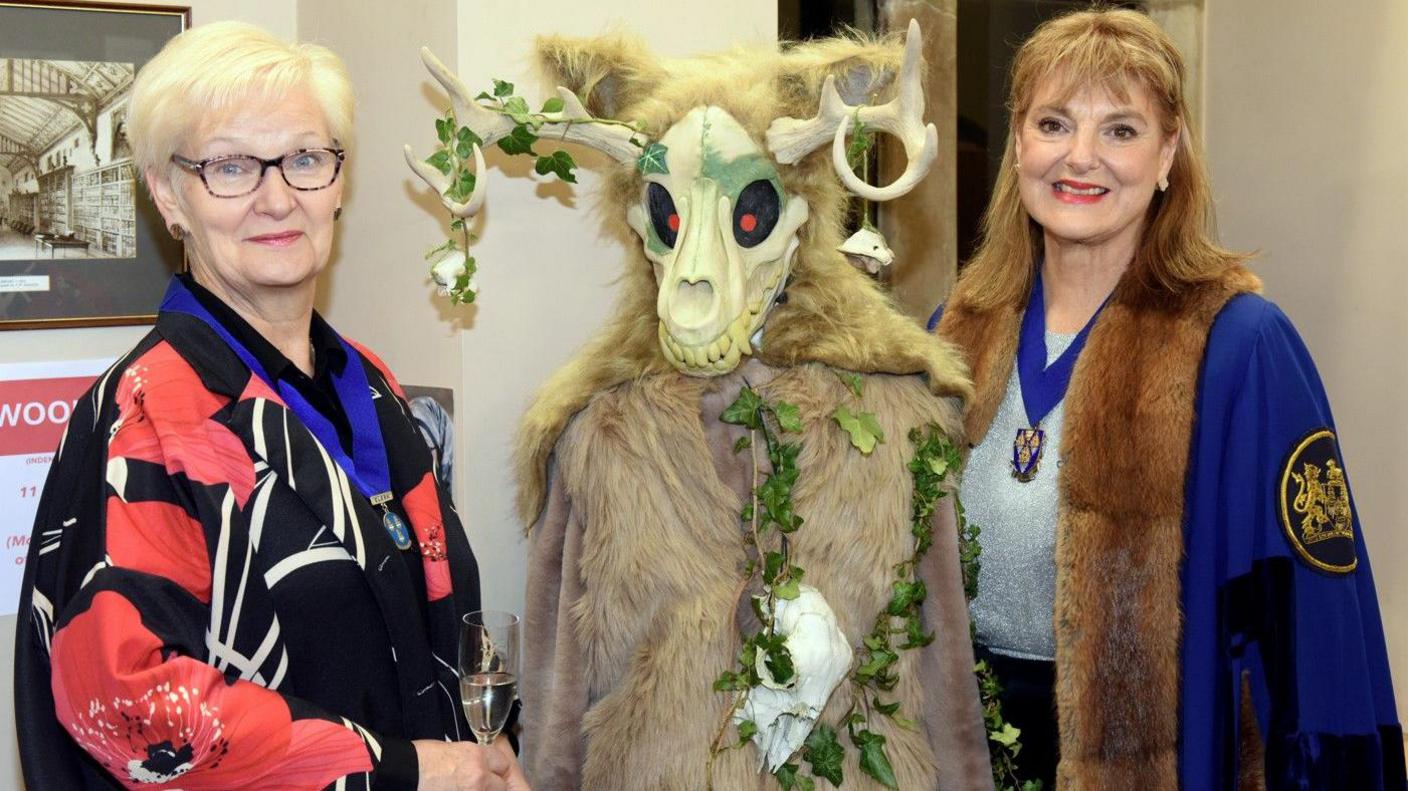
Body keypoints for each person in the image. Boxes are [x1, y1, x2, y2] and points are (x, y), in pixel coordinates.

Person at [12, 22, 529, 791]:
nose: (278, 196)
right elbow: (131, 704)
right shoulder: (143, 418)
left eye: (304, 158)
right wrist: (414, 771)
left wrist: (483, 760)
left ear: (338, 183)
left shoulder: (375, 388)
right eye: (230, 166)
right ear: (167, 194)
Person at [931, 8, 1403, 789]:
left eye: (1120, 130)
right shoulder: (953, 334)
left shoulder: (1239, 346)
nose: (1080, 158)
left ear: (1167, 155)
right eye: (1054, 123)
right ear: (1019, 143)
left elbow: (1309, 622)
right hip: (966, 756)